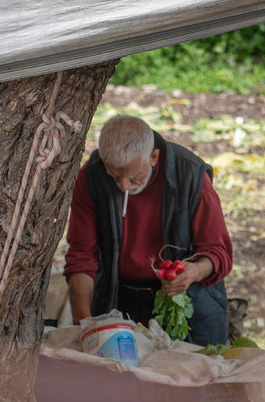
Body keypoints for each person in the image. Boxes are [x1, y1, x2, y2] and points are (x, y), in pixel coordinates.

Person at [64, 115, 233, 346]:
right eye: (115, 175)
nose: (124, 186)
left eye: (134, 176)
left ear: (154, 157)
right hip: (121, 296)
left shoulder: (191, 176)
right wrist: (83, 321)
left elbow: (218, 253)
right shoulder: (92, 177)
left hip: (189, 303)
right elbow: (82, 256)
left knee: (187, 376)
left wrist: (191, 272)